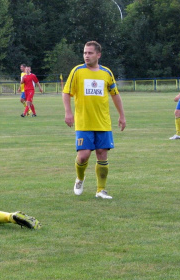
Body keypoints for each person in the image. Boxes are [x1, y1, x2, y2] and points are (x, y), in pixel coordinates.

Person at [62, 41, 126, 200]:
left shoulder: (106, 73)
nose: (86, 56)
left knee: (102, 154)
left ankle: (101, 190)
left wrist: (122, 116)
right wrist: (68, 112)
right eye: (84, 53)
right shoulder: (77, 71)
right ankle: (80, 178)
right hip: (83, 122)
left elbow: (115, 95)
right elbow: (66, 93)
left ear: (98, 55)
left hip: (103, 122)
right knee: (83, 156)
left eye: (90, 53)